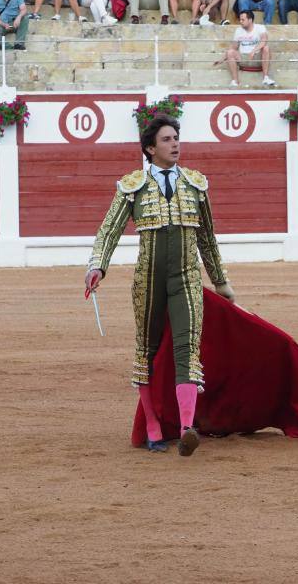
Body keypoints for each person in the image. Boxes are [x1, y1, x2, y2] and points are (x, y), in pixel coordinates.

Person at [85, 114, 235, 457]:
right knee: (147, 351)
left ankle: (186, 428)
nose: (175, 144)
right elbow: (109, 230)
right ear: (150, 149)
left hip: (186, 278)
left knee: (187, 348)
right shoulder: (132, 185)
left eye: (177, 138)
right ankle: (153, 426)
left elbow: (207, 240)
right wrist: (97, 267)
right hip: (148, 279)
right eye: (167, 140)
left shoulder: (196, 184)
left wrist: (221, 282)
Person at [218, 10, 276, 87]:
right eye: (240, 20)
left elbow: (264, 40)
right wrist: (222, 58)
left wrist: (254, 50)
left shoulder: (260, 27)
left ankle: (266, 78)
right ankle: (235, 81)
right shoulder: (238, 30)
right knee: (230, 52)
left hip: (256, 57)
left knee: (266, 48)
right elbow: (234, 47)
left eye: (243, 20)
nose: (240, 21)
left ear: (250, 20)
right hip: (243, 57)